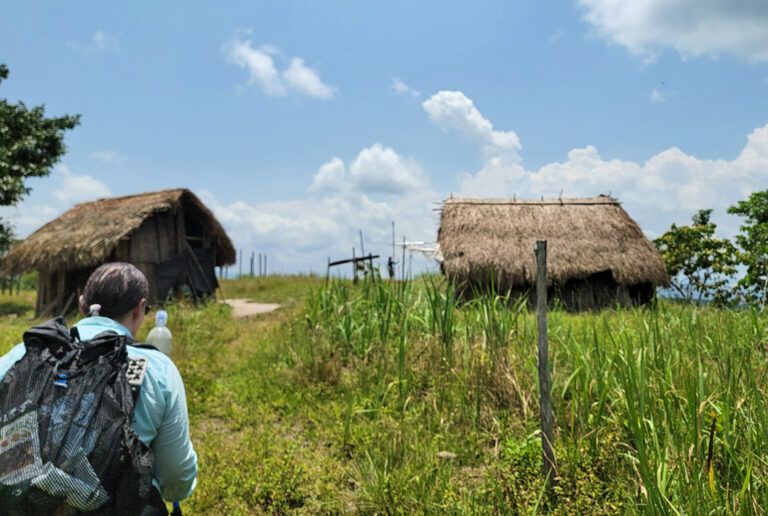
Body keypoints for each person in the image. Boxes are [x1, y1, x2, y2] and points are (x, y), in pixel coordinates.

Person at [0, 262, 198, 515]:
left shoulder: (23, 354)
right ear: (139, 309)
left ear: (82, 304)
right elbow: (176, 478)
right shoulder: (156, 369)